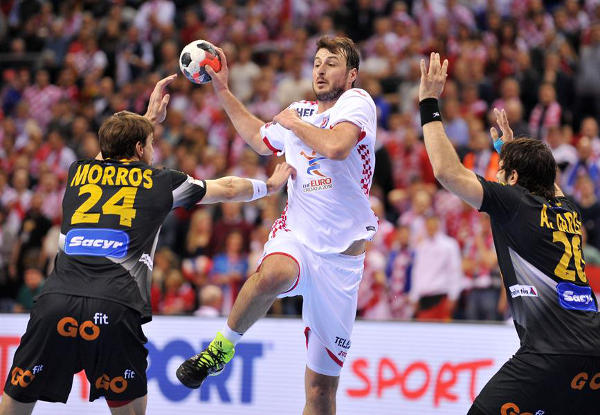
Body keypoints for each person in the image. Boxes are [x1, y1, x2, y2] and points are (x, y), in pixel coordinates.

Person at [0, 74, 294, 415]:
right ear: (140, 149)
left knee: (13, 407)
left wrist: (146, 121)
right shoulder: (161, 182)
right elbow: (227, 189)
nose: (153, 150)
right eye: (150, 143)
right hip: (115, 306)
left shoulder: (77, 172)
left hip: (54, 303)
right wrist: (270, 186)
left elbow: (107, 154)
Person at [176, 36, 378, 415]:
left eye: (330, 63)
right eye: (317, 61)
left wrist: (293, 126)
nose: (320, 69)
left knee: (320, 393)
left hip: (341, 264)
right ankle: (220, 349)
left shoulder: (357, 102)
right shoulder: (297, 110)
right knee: (274, 274)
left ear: (351, 75)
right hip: (297, 235)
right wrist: (223, 89)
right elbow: (257, 137)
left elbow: (337, 146)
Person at [419, 53, 600, 415]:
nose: (497, 176)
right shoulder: (569, 210)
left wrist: (428, 103)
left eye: (502, 171)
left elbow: (446, 171)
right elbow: (545, 181)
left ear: (514, 180)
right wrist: (510, 150)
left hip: (548, 355)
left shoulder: (512, 201)